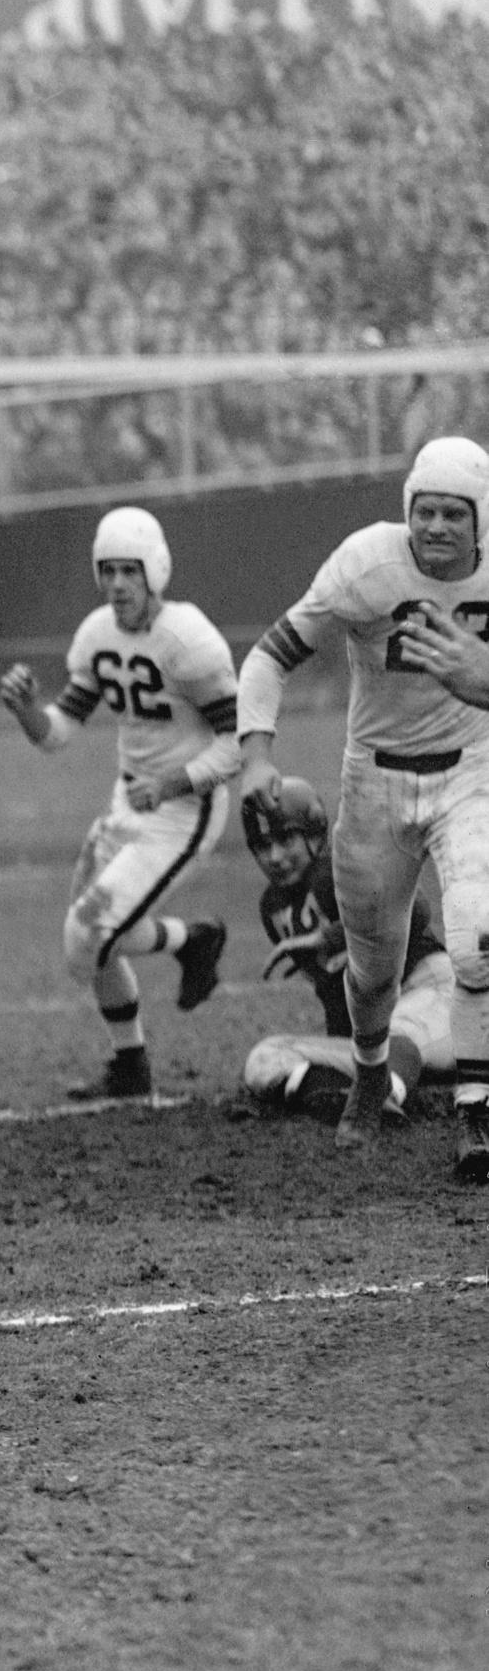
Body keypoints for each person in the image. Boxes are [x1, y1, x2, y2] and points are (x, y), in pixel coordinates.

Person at [234, 434, 489, 1179]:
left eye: (453, 513)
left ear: (483, 520)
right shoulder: (369, 564)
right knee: (373, 972)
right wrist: (255, 757)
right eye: (424, 511)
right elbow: (271, 655)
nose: (435, 526)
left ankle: (477, 1115)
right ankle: (372, 1071)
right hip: (375, 782)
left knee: (478, 940)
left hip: (472, 773)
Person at [0, 507, 239, 1102]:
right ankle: (143, 1038)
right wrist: (28, 711)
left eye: (129, 571)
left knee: (88, 934)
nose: (117, 585)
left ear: (154, 571)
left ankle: (177, 970)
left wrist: (174, 783)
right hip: (128, 801)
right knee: (90, 942)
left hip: (184, 810)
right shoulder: (97, 635)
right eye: (107, 571)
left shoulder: (189, 641)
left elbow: (239, 743)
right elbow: (57, 733)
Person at [232, 777, 458, 1119]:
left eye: (285, 838)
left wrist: (333, 937)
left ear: (313, 833)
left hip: (434, 995)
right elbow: (335, 995)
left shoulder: (341, 869)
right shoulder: (274, 908)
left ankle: (379, 1096)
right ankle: (327, 1092)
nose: (274, 856)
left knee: (399, 1032)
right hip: (381, 1033)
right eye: (262, 845)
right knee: (265, 1058)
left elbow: (417, 908)